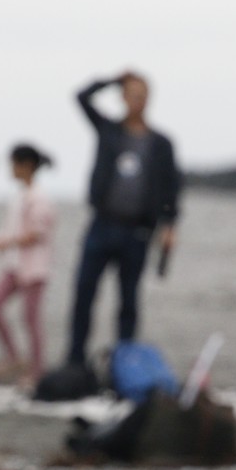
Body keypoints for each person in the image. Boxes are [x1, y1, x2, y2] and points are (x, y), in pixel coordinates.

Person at [67, 71, 181, 366]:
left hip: (138, 231)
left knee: (128, 301)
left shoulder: (161, 143)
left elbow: (172, 186)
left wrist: (170, 225)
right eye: (131, 94)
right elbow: (81, 97)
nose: (137, 100)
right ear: (122, 96)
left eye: (142, 95)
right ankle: (75, 359)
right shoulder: (109, 130)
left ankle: (124, 361)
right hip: (102, 223)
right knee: (84, 292)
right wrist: (113, 79)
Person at [0, 143, 56, 384]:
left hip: (34, 267)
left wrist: (5, 242)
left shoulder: (39, 197)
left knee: (31, 319)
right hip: (14, 265)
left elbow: (37, 234)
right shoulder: (21, 195)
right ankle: (14, 355)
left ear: (25, 165)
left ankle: (37, 370)